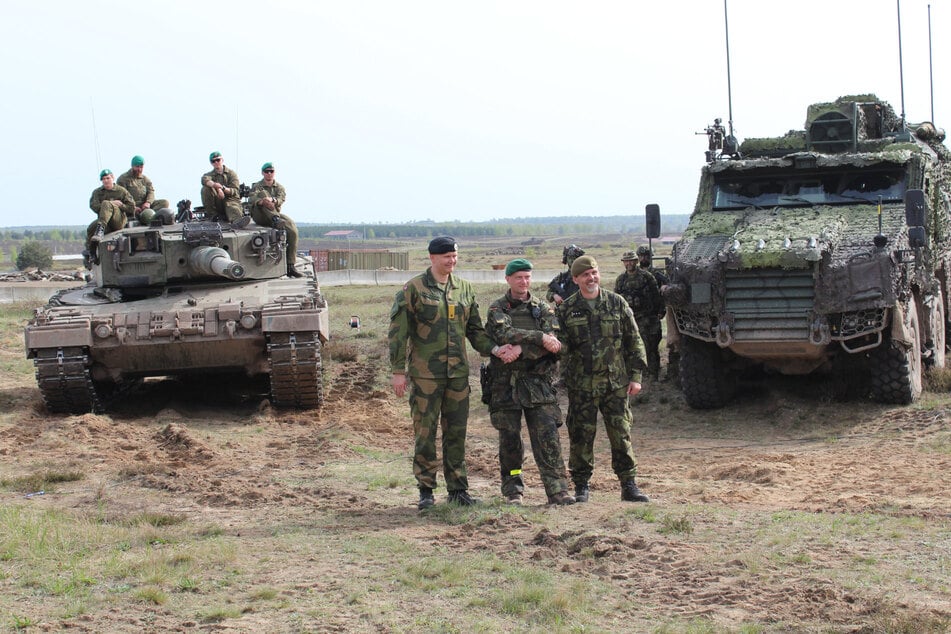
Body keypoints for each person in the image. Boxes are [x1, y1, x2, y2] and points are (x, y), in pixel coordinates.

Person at [389, 236, 518, 510]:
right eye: (446, 256)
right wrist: (398, 371)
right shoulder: (413, 289)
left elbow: (474, 331)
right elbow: (398, 333)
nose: (452, 260)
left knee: (456, 433)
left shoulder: (465, 289)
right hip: (426, 376)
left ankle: (458, 490)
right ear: (432, 257)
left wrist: (495, 349)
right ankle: (426, 490)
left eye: (455, 256)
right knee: (425, 433)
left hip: (457, 375)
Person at [556, 254, 650, 503]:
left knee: (621, 433)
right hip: (581, 385)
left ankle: (628, 485)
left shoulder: (616, 303)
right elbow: (561, 348)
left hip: (615, 384)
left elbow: (634, 341)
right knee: (581, 436)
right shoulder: (566, 309)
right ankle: (581, 486)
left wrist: (636, 376)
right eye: (585, 274)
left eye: (594, 272)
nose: (591, 278)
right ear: (576, 279)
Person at [484, 258, 575, 506]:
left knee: (548, 438)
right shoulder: (497, 309)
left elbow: (553, 346)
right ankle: (513, 489)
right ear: (508, 280)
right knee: (510, 442)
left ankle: (557, 490)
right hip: (506, 385)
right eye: (518, 278)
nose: (523, 282)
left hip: (539, 383)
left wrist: (521, 350)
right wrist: (538, 337)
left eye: (527, 277)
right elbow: (503, 334)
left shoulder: (543, 309)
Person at [615, 250, 663, 381]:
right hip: (629, 319)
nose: (629, 263)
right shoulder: (620, 280)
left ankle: (653, 374)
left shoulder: (647, 277)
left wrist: (659, 313)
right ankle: (634, 375)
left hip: (647, 318)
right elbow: (617, 300)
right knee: (629, 347)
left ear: (636, 261)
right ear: (624, 263)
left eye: (631, 260)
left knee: (650, 347)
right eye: (626, 261)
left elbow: (656, 296)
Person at [249, 162, 302, 278]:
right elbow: (252, 198)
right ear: (263, 173)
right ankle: (275, 219)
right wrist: (263, 201)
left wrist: (272, 200)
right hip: (260, 215)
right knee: (263, 196)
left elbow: (281, 198)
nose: (269, 174)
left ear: (274, 172)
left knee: (292, 230)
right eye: (266, 171)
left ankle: (290, 265)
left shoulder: (279, 187)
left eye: (271, 171)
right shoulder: (257, 186)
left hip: (276, 214)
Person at [638, 245, 679, 384]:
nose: (643, 258)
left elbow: (668, 286)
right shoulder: (632, 275)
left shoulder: (656, 274)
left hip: (652, 316)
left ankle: (653, 373)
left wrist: (661, 310)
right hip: (637, 316)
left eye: (646, 256)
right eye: (641, 256)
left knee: (652, 346)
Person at [85, 169, 135, 264]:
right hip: (105, 221)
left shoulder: (121, 191)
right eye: (103, 179)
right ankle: (91, 253)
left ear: (112, 178)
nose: (106, 180)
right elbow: (94, 206)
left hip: (118, 221)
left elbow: (131, 208)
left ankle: (100, 230)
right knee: (90, 228)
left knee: (106, 204)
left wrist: (120, 205)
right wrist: (110, 204)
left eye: (108, 178)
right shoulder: (97, 192)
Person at [117, 155, 169, 224]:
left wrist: (148, 202)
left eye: (141, 167)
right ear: (132, 166)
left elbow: (151, 191)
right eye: (137, 167)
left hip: (145, 206)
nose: (139, 169)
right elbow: (121, 196)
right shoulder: (123, 179)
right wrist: (133, 208)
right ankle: (142, 217)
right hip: (131, 207)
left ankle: (148, 216)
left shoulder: (145, 179)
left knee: (165, 203)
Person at [200, 151, 248, 227]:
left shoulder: (231, 174)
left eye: (218, 160)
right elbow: (204, 180)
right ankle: (214, 216)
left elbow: (235, 191)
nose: (216, 162)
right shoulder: (209, 175)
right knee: (205, 189)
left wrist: (222, 188)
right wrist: (217, 187)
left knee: (232, 207)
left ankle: (237, 221)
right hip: (217, 203)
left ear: (222, 160)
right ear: (211, 163)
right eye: (213, 161)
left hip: (231, 200)